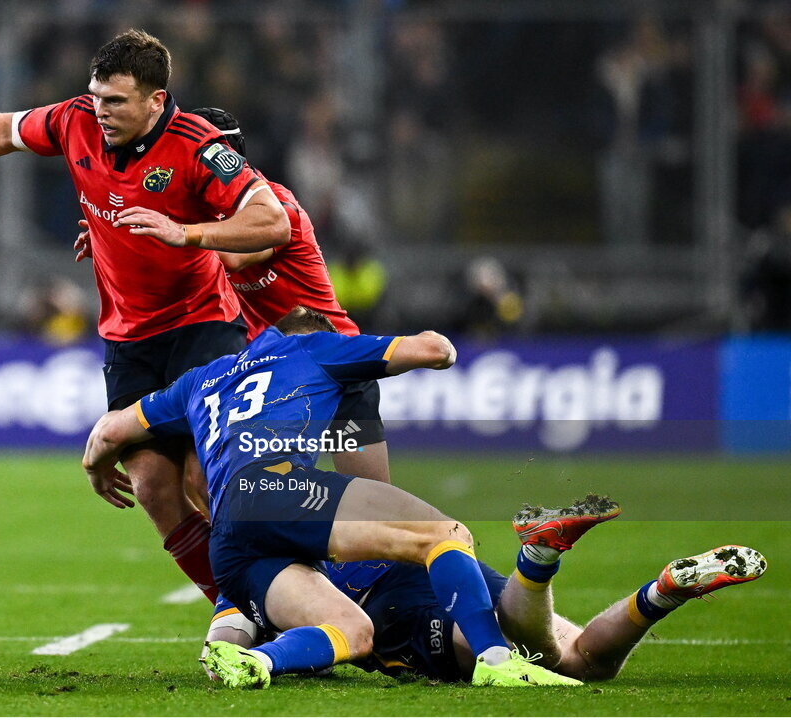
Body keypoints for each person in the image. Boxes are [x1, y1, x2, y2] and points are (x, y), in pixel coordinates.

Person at [0, 29, 291, 603]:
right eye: (95, 96)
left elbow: (272, 221)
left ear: (156, 100)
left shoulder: (198, 146)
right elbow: (0, 130)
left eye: (116, 101)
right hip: (128, 339)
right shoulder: (75, 120)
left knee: (202, 476)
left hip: (202, 326)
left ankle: (299, 597)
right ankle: (241, 608)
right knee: (153, 486)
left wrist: (184, 232)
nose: (100, 111)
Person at [83, 306, 579, 688]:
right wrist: (441, 347)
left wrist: (97, 464)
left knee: (352, 629)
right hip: (277, 486)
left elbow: (111, 430)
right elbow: (434, 351)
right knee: (445, 535)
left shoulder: (202, 378)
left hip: (228, 535)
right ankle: (496, 661)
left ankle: (255, 660)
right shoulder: (316, 348)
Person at [75, 105, 390, 484]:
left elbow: (234, 257)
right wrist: (120, 239)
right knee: (219, 484)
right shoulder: (196, 221)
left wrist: (154, 234)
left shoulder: (277, 212)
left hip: (337, 364)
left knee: (373, 508)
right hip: (278, 378)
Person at [204, 494, 767, 684]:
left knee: (526, 656)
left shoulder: (252, 564)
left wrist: (245, 654)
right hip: (444, 570)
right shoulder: (318, 511)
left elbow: (225, 635)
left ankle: (540, 559)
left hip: (397, 612)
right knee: (583, 660)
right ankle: (662, 591)